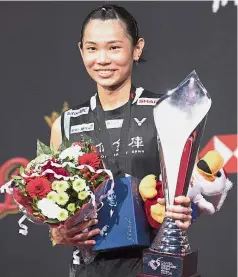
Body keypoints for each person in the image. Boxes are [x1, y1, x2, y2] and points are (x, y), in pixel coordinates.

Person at [50, 4, 193, 277]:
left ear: (137, 49)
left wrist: (189, 210)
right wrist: (59, 232)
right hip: (89, 268)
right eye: (92, 48)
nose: (102, 59)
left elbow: (191, 190)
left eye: (114, 47)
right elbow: (53, 215)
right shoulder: (66, 124)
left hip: (155, 264)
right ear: (81, 50)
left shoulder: (165, 112)